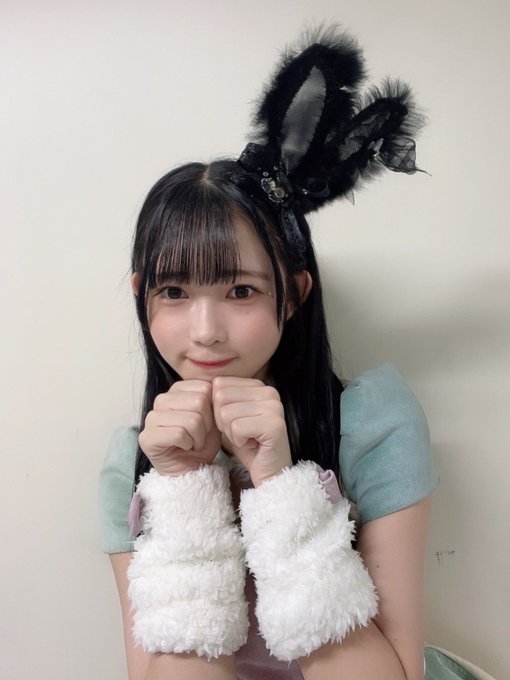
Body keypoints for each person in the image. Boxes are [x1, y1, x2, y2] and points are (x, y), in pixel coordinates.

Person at [99, 26, 481, 680]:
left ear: (295, 293)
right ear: (143, 296)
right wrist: (185, 491)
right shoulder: (134, 462)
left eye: (240, 290)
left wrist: (279, 486)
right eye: (174, 292)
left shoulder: (370, 423)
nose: (206, 331)